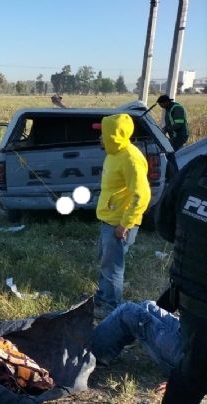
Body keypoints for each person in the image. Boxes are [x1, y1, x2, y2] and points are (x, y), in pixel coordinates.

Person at [155, 152, 207, 403]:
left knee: (190, 377)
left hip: (193, 310)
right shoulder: (196, 170)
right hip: (195, 306)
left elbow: (165, 224)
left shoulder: (197, 169)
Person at [94, 113, 151, 318]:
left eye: (103, 134)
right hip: (108, 220)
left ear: (114, 135)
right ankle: (102, 298)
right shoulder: (113, 153)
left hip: (119, 224)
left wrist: (125, 224)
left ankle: (111, 308)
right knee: (105, 261)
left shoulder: (131, 158)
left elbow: (142, 195)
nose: (100, 137)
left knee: (113, 268)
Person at [91, 300, 181, 376]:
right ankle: (104, 353)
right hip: (186, 334)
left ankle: (85, 356)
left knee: (128, 311)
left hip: (187, 358)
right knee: (147, 305)